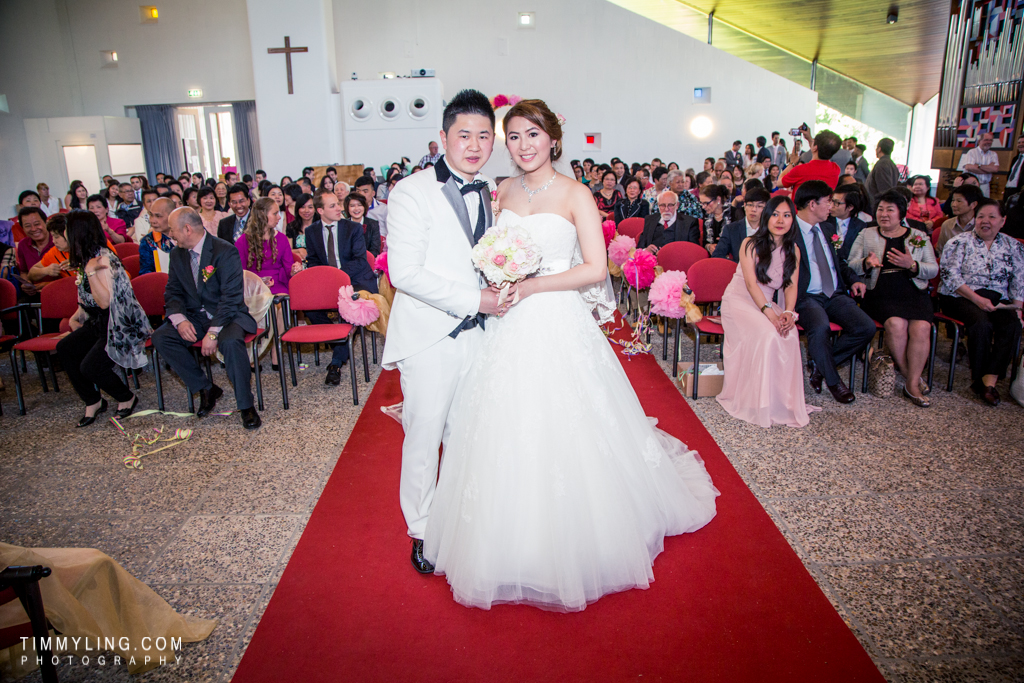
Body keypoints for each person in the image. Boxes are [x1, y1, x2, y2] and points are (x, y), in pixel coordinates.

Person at [420, 96, 717, 611]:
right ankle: (508, 539)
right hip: (506, 322)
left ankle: (578, 537)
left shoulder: (577, 193)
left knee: (566, 420)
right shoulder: (501, 191)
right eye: (513, 136)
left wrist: (533, 285)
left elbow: (595, 269)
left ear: (553, 139)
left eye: (532, 135)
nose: (523, 145)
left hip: (556, 317)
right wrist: (497, 276)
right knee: (504, 423)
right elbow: (486, 253)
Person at [152, 207, 261, 429]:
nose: (170, 234)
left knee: (230, 342)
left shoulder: (225, 251)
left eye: (172, 230)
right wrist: (180, 320)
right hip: (195, 316)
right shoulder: (177, 254)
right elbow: (173, 292)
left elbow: (231, 298)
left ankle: (246, 405)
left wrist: (213, 333)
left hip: (227, 316)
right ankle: (205, 387)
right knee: (161, 337)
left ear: (187, 229)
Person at [717, 195, 817, 427]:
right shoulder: (750, 243)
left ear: (793, 219)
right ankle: (758, 402)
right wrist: (770, 314)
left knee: (789, 333)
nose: (780, 220)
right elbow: (751, 284)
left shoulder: (793, 249)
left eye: (786, 215)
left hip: (767, 303)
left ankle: (780, 401)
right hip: (740, 301)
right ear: (766, 217)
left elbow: (791, 285)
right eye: (775, 214)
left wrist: (789, 313)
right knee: (769, 334)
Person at [54, 210, 149, 426]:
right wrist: (77, 316)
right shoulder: (86, 258)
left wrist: (89, 272)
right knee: (65, 348)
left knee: (90, 366)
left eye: (65, 230)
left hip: (121, 324)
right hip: (100, 321)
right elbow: (87, 299)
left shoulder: (103, 259)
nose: (62, 235)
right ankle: (93, 400)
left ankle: (126, 397)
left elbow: (105, 302)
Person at [848, 190, 938, 406]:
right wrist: (866, 263)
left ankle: (911, 383)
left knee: (922, 327)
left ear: (901, 214)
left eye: (890, 210)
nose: (884, 214)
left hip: (913, 291)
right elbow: (850, 264)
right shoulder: (867, 233)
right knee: (896, 324)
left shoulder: (917, 235)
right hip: (880, 291)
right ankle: (910, 377)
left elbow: (933, 269)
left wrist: (912, 265)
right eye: (880, 209)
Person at [792, 181, 875, 404]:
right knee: (820, 328)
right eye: (828, 201)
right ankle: (834, 382)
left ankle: (820, 366)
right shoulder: (789, 231)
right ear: (812, 204)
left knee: (865, 327)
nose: (832, 206)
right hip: (806, 296)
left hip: (834, 293)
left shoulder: (828, 228)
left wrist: (853, 280)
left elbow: (840, 262)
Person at [939, 199, 1024, 406]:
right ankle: (979, 377)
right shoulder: (959, 242)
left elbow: (1019, 281)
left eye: (992, 217)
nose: (985, 221)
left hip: (997, 298)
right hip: (960, 295)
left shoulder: (1013, 246)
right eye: (981, 217)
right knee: (981, 323)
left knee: (1012, 325)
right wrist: (977, 299)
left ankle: (989, 380)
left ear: (1003, 221)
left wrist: (1018, 310)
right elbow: (950, 276)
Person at [303, 191, 378, 385]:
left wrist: (336, 275)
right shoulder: (311, 231)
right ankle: (340, 340)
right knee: (309, 308)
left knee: (348, 309)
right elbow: (313, 260)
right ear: (320, 210)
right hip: (328, 281)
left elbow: (360, 260)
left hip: (354, 279)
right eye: (333, 206)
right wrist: (325, 278)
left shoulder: (353, 228)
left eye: (338, 204)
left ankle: (335, 364)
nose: (339, 208)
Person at [236, 197, 297, 367]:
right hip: (253, 288)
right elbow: (240, 272)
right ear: (263, 215)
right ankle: (254, 350)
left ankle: (276, 349)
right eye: (275, 213)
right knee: (257, 303)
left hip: (277, 284)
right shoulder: (243, 241)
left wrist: (294, 270)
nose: (279, 217)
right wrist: (257, 282)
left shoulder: (282, 239)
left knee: (282, 304)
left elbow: (288, 267)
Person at [713, 187, 770, 260]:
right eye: (750, 205)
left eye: (759, 206)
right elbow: (717, 255)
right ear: (744, 205)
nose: (753, 209)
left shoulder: (770, 229)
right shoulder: (731, 229)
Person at [779, 129, 842, 195]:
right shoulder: (835, 169)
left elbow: (780, 182)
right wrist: (809, 138)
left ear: (815, 147)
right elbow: (822, 148)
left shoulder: (801, 170)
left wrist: (792, 163)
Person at [637, 191, 701, 253]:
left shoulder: (690, 223)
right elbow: (640, 247)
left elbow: (693, 251)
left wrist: (667, 255)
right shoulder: (650, 220)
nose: (666, 209)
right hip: (652, 258)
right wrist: (646, 250)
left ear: (677, 205)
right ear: (658, 205)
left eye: (670, 205)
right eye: (662, 205)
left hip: (676, 259)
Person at [14, 208, 52, 301]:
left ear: (46, 222)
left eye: (37, 224)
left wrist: (48, 285)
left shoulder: (59, 241)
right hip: (35, 293)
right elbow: (24, 271)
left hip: (59, 290)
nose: (33, 229)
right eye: (27, 226)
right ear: (22, 228)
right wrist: (27, 283)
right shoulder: (23, 245)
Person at [824, 184, 868, 261]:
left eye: (836, 203)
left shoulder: (861, 227)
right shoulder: (824, 222)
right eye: (831, 201)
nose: (831, 206)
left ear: (850, 207)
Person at [938, 184, 982, 252]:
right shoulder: (947, 225)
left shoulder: (981, 225)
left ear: (973, 204)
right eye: (953, 200)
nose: (954, 205)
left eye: (959, 201)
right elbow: (941, 250)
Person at [138, 197, 175, 275]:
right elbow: (146, 273)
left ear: (172, 215)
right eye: (151, 215)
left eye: (158, 216)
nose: (152, 221)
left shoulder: (186, 235)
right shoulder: (148, 241)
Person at [957, 132, 1000, 197]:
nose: (989, 142)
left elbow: (995, 169)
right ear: (979, 141)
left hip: (985, 185)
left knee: (984, 202)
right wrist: (988, 169)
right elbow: (969, 167)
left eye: (991, 140)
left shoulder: (993, 154)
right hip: (971, 186)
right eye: (986, 140)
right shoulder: (972, 152)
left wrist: (979, 166)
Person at [343, 192, 382, 256]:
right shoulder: (343, 226)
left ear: (364, 206)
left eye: (359, 205)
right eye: (352, 206)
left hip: (367, 260)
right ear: (347, 208)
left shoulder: (373, 224)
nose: (356, 208)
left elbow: (375, 250)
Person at [700, 184, 732, 253]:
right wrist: (709, 246)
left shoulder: (734, 214)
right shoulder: (707, 217)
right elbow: (704, 242)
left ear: (718, 199)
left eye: (706, 203)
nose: (703, 207)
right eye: (702, 203)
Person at [866, 138, 899, 203]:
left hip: (876, 205)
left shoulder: (882, 164)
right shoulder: (892, 164)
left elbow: (884, 190)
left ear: (879, 149)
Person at [286, 193, 315, 260]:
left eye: (310, 207)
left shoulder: (320, 227)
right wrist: (299, 250)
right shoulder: (291, 226)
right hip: (297, 262)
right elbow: (287, 250)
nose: (306, 211)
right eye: (302, 207)